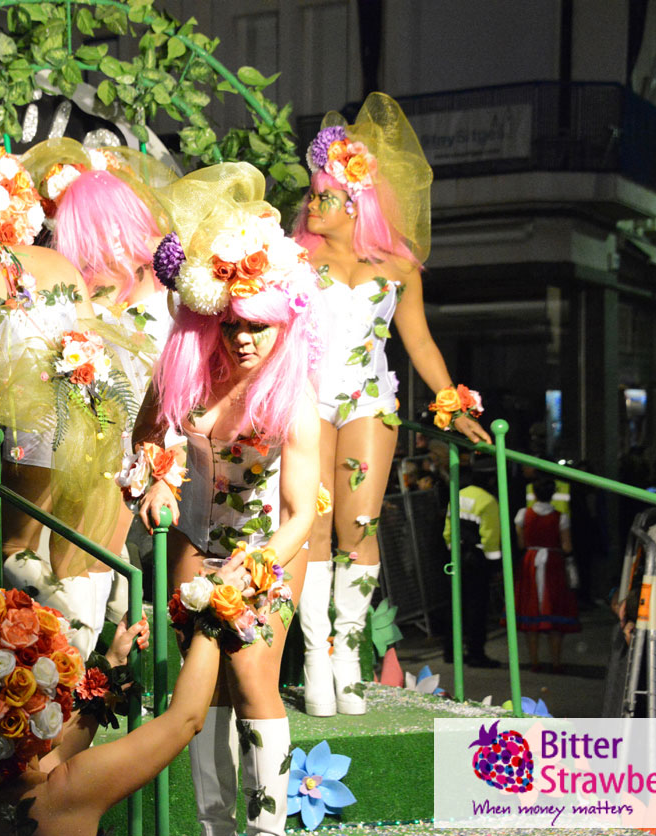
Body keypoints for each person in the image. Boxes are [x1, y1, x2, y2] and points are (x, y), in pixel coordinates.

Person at [133, 162, 322, 836]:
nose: (243, 337)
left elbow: (302, 512)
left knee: (250, 676)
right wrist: (155, 477)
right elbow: (145, 443)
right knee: (200, 683)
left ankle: (268, 829)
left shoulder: (295, 399)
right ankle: (215, 826)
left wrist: (255, 565)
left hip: (268, 547)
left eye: (259, 325)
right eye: (232, 322)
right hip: (193, 543)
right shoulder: (181, 373)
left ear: (283, 323)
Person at [292, 92, 492, 717]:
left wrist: (451, 403)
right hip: (306, 399)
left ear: (357, 204)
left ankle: (347, 654)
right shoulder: (293, 258)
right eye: (312, 193)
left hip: (369, 401)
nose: (311, 203)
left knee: (360, 525)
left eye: (324, 195)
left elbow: (421, 342)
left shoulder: (401, 267)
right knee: (314, 523)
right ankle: (314, 657)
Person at [0, 143, 131, 657]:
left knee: (17, 545)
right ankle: (111, 633)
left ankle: (73, 657)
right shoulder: (61, 263)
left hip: (34, 424)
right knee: (84, 545)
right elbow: (94, 339)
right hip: (98, 408)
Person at [0, 562, 240, 836]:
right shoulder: (69, 792)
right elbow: (186, 719)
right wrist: (211, 610)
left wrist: (112, 667)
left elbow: (53, 758)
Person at [17, 138, 177, 625]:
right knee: (40, 550)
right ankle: (76, 657)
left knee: (76, 559)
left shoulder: (167, 298)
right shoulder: (85, 293)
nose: (89, 257)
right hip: (85, 440)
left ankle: (82, 660)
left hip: (141, 449)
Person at [514, 478, 580, 672]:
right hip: (553, 563)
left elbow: (520, 544)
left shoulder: (522, 515)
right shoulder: (561, 517)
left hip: (530, 562)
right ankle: (556, 662)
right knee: (555, 610)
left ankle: (534, 661)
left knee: (530, 609)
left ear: (533, 493)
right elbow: (567, 546)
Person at [441, 460, 503, 668]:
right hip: (477, 561)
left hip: (456, 557)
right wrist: (495, 566)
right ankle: (476, 653)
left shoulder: (458, 495)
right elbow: (491, 537)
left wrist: (452, 551)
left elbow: (448, 529)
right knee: (477, 608)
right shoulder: (488, 501)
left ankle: (451, 651)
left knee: (455, 605)